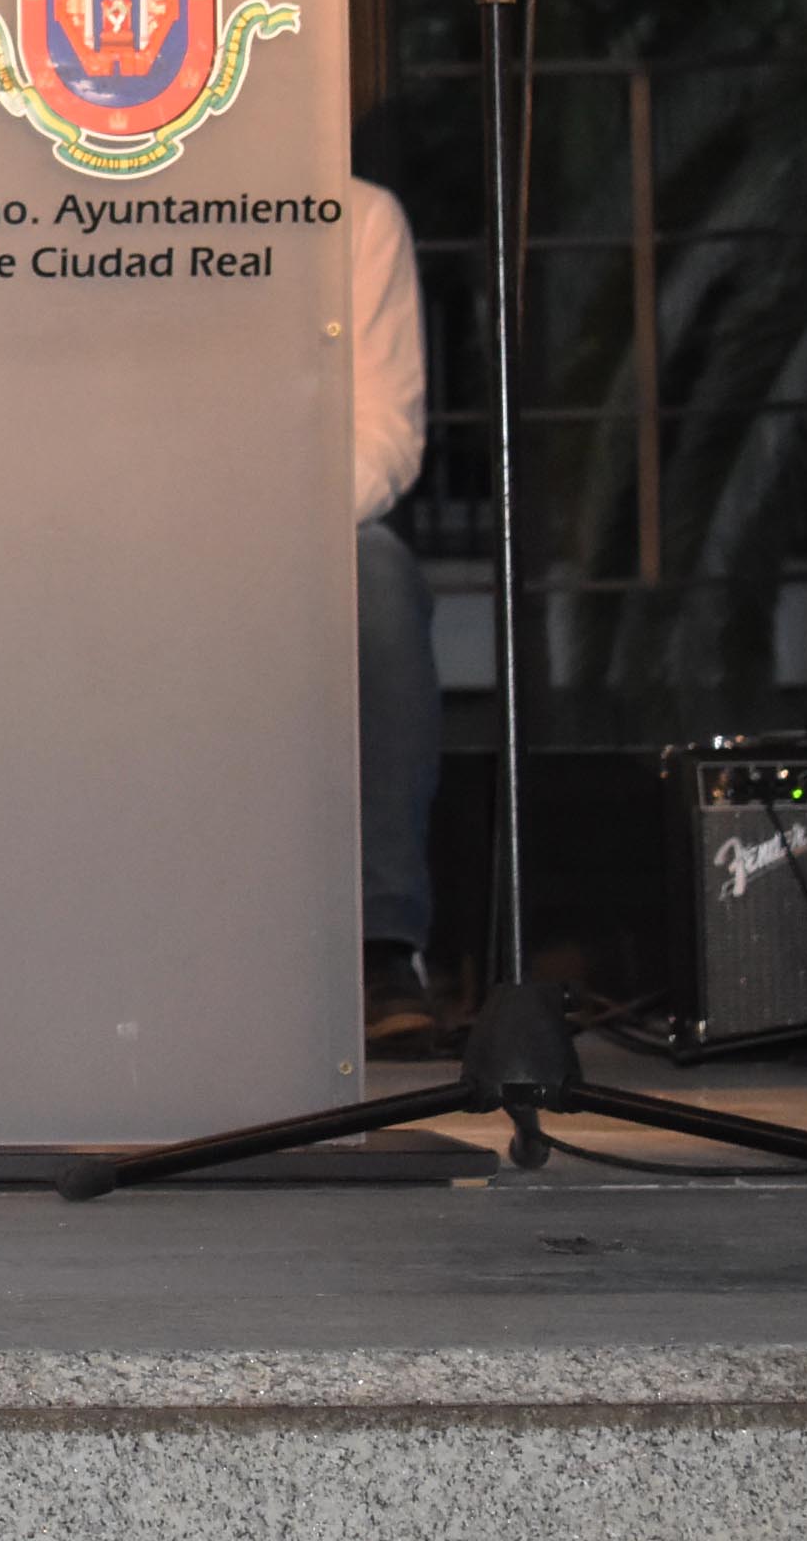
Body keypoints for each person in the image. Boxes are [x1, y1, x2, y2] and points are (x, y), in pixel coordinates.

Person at [349, 174, 439, 1050]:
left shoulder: (359, 216)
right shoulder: (91, 213)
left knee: (376, 576)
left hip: (298, 523)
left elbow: (385, 434)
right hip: (117, 524)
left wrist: (264, 519)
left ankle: (382, 939)